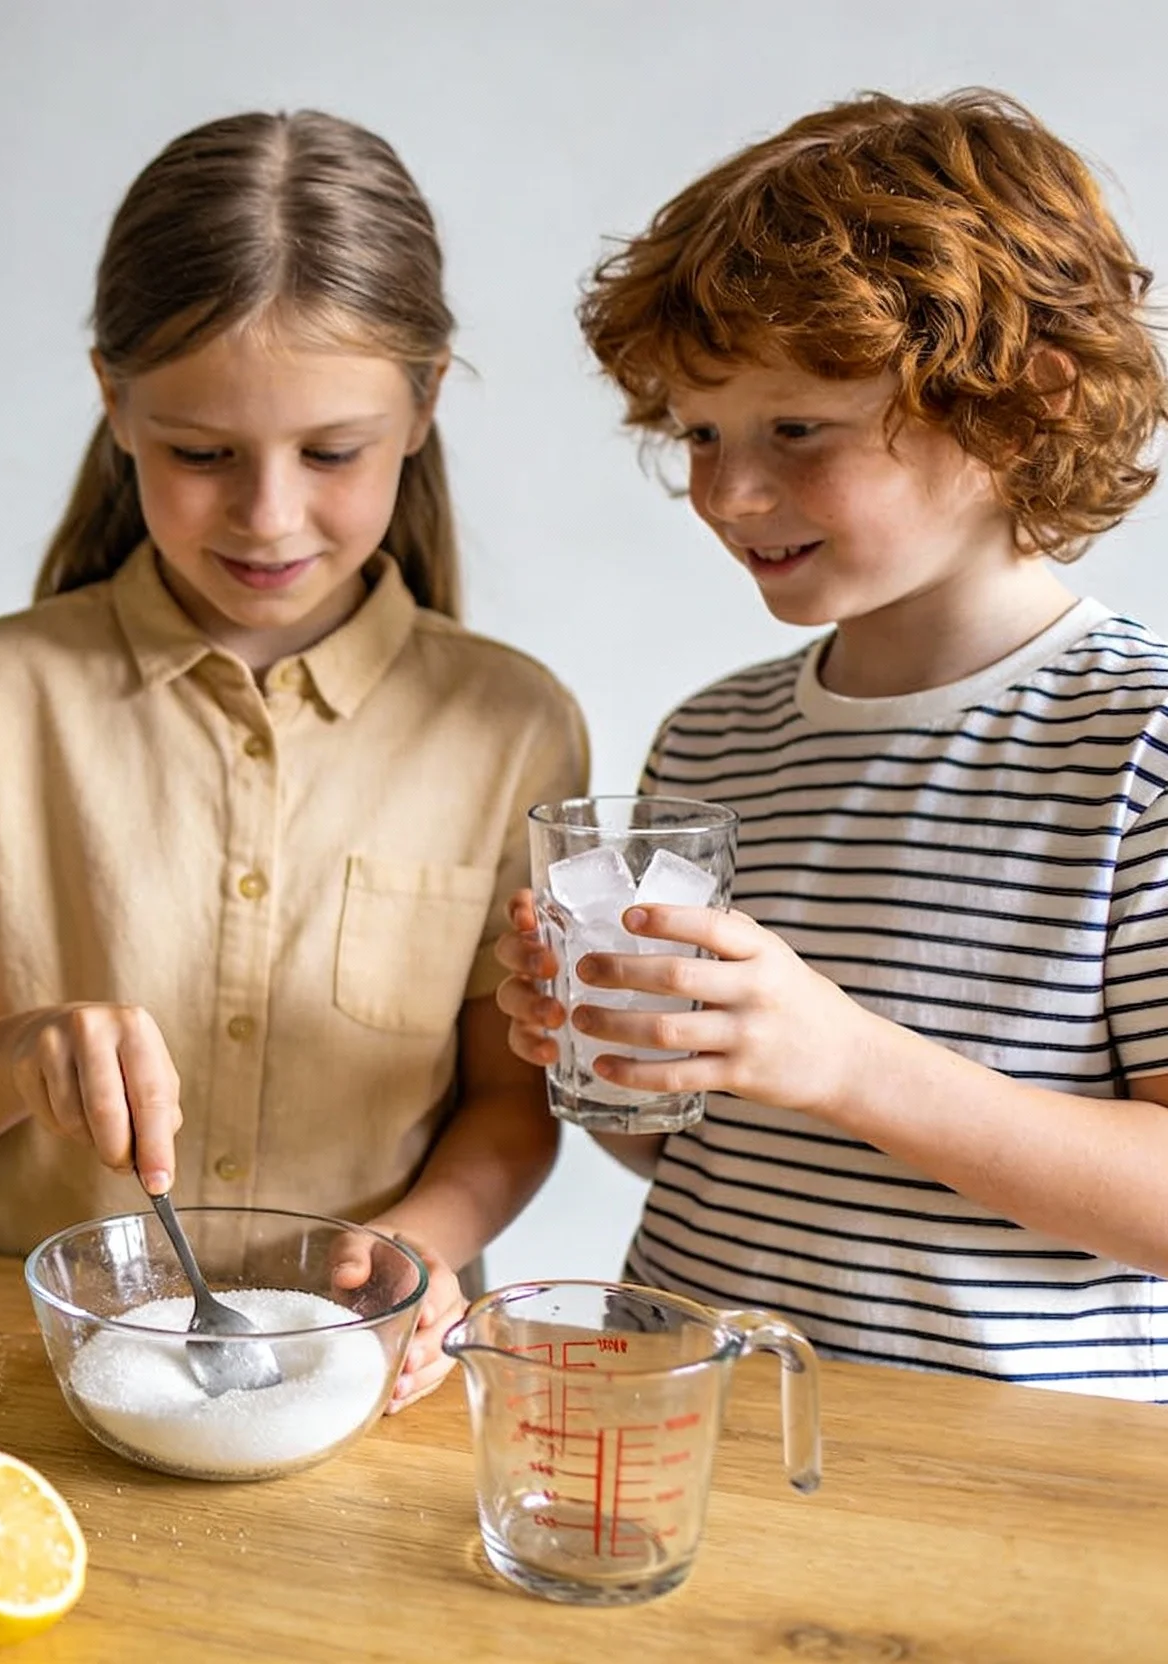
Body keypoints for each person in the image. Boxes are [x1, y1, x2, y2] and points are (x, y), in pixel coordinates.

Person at [0, 112, 588, 1410]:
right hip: (42, 1379)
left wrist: (420, 1248)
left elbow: (511, 1105)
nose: (267, 515)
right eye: (203, 455)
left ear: (423, 403)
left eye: (331, 453)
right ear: (116, 402)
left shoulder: (513, 725)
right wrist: (24, 1047)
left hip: (365, 1381)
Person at [492, 90, 1168, 1399]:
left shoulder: (1140, 742)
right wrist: (617, 1067)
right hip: (700, 1432)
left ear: (1018, 409)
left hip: (1004, 1505)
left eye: (797, 429)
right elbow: (716, 1155)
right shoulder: (719, 738)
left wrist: (847, 1059)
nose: (730, 492)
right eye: (701, 431)